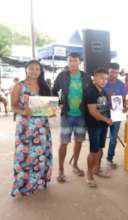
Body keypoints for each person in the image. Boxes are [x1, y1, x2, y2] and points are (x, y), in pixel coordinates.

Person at [10, 60, 52, 197]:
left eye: (37, 69)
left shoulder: (43, 86)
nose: (34, 71)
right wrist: (23, 111)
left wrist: (53, 109)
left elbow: (48, 107)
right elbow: (13, 106)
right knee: (26, 155)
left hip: (42, 126)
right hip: (25, 127)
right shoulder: (19, 86)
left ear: (40, 71)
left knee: (40, 155)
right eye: (31, 69)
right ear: (26, 70)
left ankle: (39, 181)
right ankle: (23, 185)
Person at [52, 52, 92, 183]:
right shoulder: (62, 75)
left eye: (75, 61)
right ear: (67, 62)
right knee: (63, 142)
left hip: (81, 115)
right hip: (67, 115)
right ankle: (61, 170)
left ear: (79, 62)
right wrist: (59, 103)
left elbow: (90, 93)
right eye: (70, 61)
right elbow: (54, 90)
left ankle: (75, 165)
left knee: (79, 141)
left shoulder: (86, 77)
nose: (72, 63)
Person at [84, 69, 112, 187]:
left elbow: (104, 107)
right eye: (101, 78)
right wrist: (106, 120)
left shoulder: (103, 91)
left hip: (102, 125)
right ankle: (89, 174)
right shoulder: (91, 91)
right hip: (94, 125)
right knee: (94, 151)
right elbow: (93, 112)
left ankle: (97, 169)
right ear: (94, 78)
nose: (104, 81)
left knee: (100, 148)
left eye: (106, 79)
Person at [104, 63, 128, 168]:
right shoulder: (102, 83)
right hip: (103, 113)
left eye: (116, 72)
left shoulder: (121, 85)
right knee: (101, 137)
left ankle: (110, 159)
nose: (114, 75)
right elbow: (96, 101)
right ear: (108, 72)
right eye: (111, 72)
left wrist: (125, 107)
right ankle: (97, 159)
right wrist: (107, 98)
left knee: (113, 138)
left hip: (117, 114)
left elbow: (123, 101)